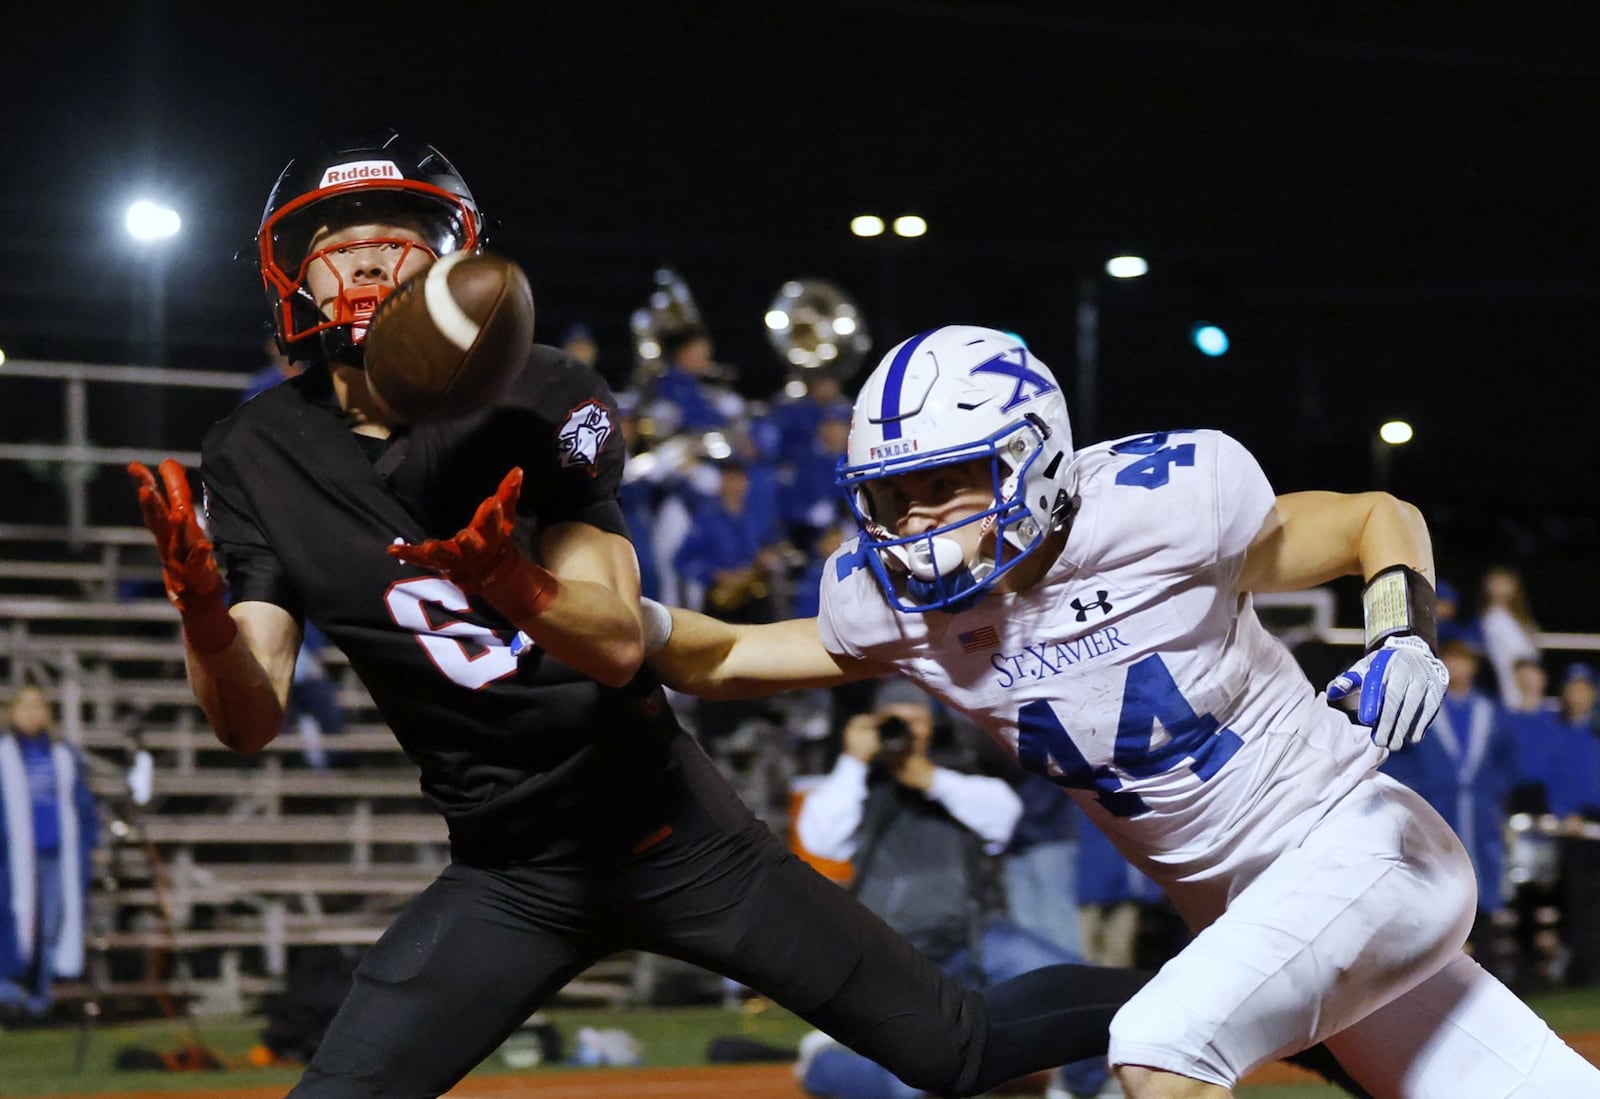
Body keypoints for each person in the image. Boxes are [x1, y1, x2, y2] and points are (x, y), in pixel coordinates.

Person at [124, 138, 1146, 1098]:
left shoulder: (540, 393)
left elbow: (618, 645)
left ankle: (1247, 998)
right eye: (335, 252)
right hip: (508, 867)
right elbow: (246, 722)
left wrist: (509, 579)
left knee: (956, 1049)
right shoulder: (255, 450)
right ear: (288, 278)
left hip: (671, 833)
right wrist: (203, 610)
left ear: (447, 261)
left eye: (389, 245)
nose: (362, 273)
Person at [644, 325, 1600, 1097]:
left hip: (1359, 850)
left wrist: (1401, 632)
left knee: (1159, 1045)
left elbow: (1369, 518)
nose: (917, 524)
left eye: (945, 485)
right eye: (893, 497)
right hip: (1253, 912)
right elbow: (723, 654)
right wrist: (558, 611)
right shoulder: (893, 606)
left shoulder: (1161, 505)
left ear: (1031, 457)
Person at [794, 682, 1108, 1099]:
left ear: (930, 723)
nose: (903, 730)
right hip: (895, 952)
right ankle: (822, 1065)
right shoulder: (860, 784)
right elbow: (820, 840)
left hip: (977, 936)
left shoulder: (956, 771)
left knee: (1083, 987)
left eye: (914, 718)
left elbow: (1003, 818)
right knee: (912, 1087)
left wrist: (926, 778)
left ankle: (1080, 1089)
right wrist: (853, 762)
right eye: (892, 721)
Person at [1379, 639, 1519, 960]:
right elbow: (1398, 754)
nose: (1459, 668)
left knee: (1483, 887)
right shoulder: (1423, 706)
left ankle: (1486, 964)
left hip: (1480, 812)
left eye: (1464, 661)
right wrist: (1418, 787)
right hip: (1436, 808)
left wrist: (1494, 792)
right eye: (1452, 661)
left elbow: (1506, 761)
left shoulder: (1489, 711)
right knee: (1436, 884)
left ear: (1474, 666)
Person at [0, 685, 98, 1021]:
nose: (31, 714)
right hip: (11, 860)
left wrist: (89, 843)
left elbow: (82, 806)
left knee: (47, 927)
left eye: (37, 707)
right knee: (13, 924)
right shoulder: (5, 753)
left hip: (55, 854)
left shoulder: (62, 754)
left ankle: (38, 1000)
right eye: (24, 707)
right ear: (11, 711)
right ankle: (12, 997)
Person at [1476, 565, 1541, 705]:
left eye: (1505, 582)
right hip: (1504, 668)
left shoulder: (1521, 618)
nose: (1500, 587)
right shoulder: (1488, 618)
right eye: (1496, 582)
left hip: (1526, 671)